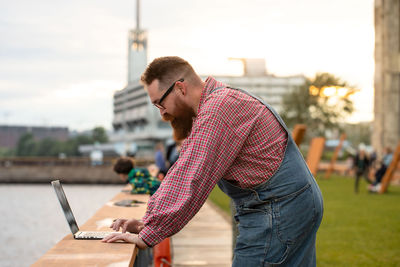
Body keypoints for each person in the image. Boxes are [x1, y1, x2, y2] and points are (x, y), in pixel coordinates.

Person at [102, 56, 324, 266]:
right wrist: (147, 222)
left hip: (278, 209)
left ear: (180, 87)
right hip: (292, 203)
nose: (162, 113)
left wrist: (150, 233)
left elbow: (192, 176)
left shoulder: (218, 110)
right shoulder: (216, 103)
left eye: (160, 103)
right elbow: (183, 167)